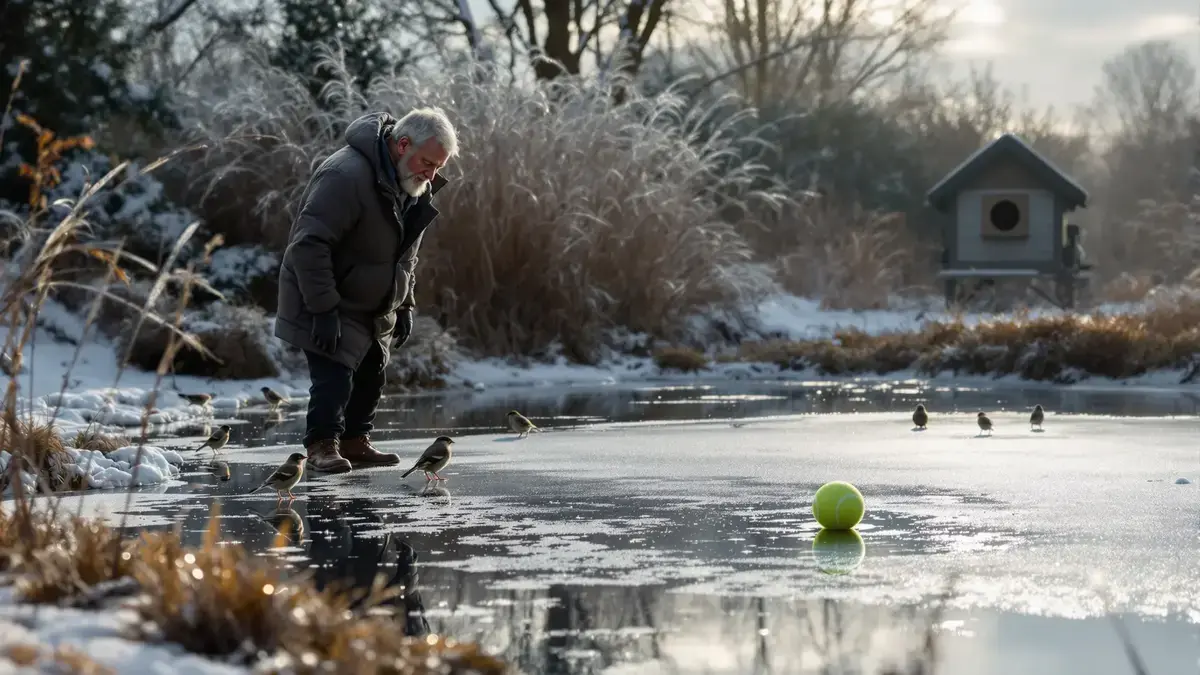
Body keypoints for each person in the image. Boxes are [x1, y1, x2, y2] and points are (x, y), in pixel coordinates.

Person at [275, 108, 458, 473]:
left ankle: (355, 441)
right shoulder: (345, 175)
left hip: (375, 302)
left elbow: (407, 256)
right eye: (427, 162)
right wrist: (324, 309)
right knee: (334, 377)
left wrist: (405, 304)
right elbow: (309, 245)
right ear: (403, 144)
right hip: (328, 294)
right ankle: (322, 445)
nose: (431, 174)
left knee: (372, 372)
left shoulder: (414, 185)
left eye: (438, 167)